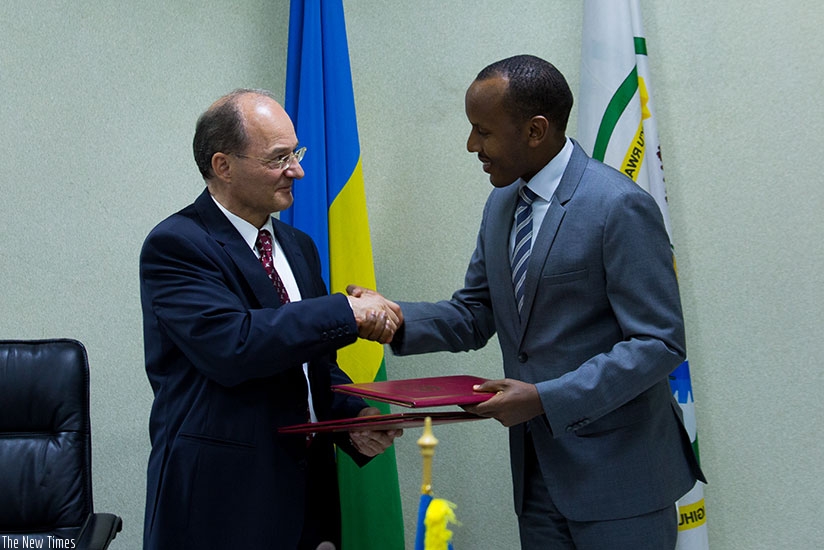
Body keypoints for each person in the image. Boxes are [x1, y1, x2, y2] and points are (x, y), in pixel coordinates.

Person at [350, 55, 705, 549]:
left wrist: (543, 399)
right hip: (538, 478)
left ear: (536, 130)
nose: (472, 146)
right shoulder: (502, 204)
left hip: (622, 483)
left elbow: (658, 344)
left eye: (483, 131)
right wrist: (394, 317)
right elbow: (474, 313)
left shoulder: (618, 205)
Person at [140, 88, 403, 550]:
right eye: (278, 158)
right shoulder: (177, 244)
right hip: (222, 502)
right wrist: (345, 310)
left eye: (295, 153)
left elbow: (312, 363)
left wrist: (350, 419)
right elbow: (234, 346)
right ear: (223, 165)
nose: (297, 170)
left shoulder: (298, 246)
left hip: (306, 495)